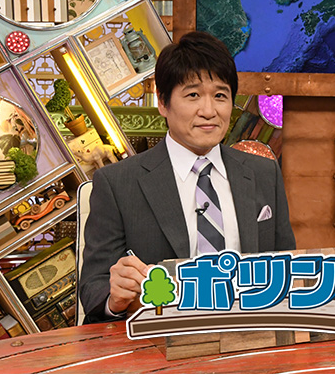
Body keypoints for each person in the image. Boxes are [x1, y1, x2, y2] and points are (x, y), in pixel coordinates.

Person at [79, 31, 296, 324]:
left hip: (249, 334)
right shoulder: (117, 183)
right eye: (193, 95)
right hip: (160, 338)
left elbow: (286, 267)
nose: (208, 111)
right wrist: (114, 298)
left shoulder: (263, 172)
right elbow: (93, 287)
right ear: (163, 102)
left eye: (220, 96)